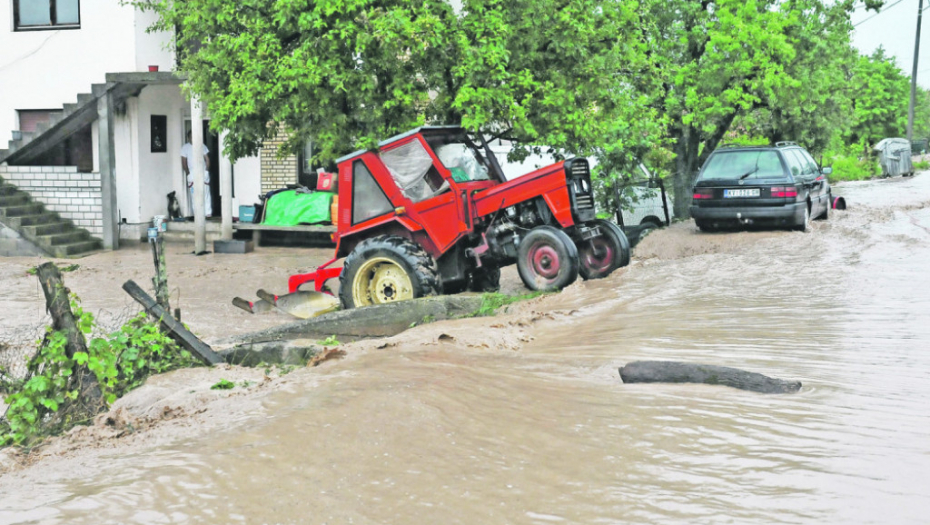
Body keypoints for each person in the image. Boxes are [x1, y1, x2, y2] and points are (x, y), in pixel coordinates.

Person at [180, 131, 212, 217]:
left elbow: (207, 159)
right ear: (188, 138)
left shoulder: (202, 146)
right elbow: (184, 162)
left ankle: (208, 214)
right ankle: (197, 215)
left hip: (202, 172)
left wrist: (206, 171)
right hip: (192, 173)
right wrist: (188, 174)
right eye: (191, 137)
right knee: (194, 195)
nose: (193, 139)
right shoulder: (185, 148)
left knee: (205, 193)